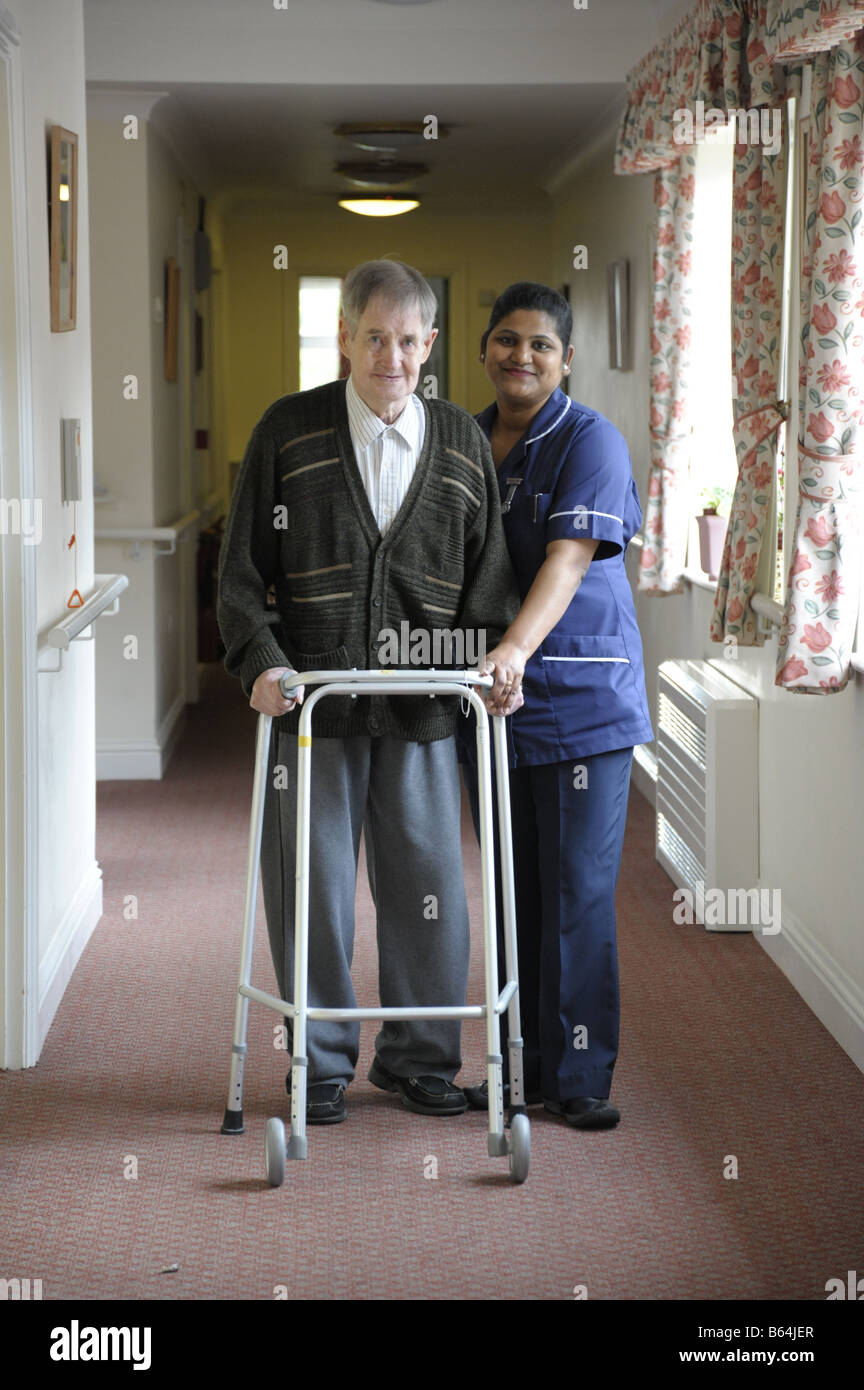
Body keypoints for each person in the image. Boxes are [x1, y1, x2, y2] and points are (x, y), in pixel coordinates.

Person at [217, 259, 519, 1126]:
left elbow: (489, 579)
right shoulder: (288, 431)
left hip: (426, 706)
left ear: (431, 343)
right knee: (308, 884)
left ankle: (422, 1060)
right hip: (311, 706)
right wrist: (261, 662)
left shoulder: (461, 438)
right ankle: (316, 1060)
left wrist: (486, 661)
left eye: (408, 338)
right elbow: (241, 576)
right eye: (374, 336)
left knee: (429, 883)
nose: (392, 355)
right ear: (345, 337)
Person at [460, 281, 654, 1129]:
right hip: (493, 701)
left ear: (567, 359)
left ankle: (578, 1080)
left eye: (541, 344)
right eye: (507, 340)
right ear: (483, 350)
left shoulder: (591, 440)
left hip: (578, 697)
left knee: (573, 893)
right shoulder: (461, 439)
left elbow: (568, 560)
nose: (521, 356)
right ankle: (516, 1072)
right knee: (512, 895)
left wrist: (510, 649)